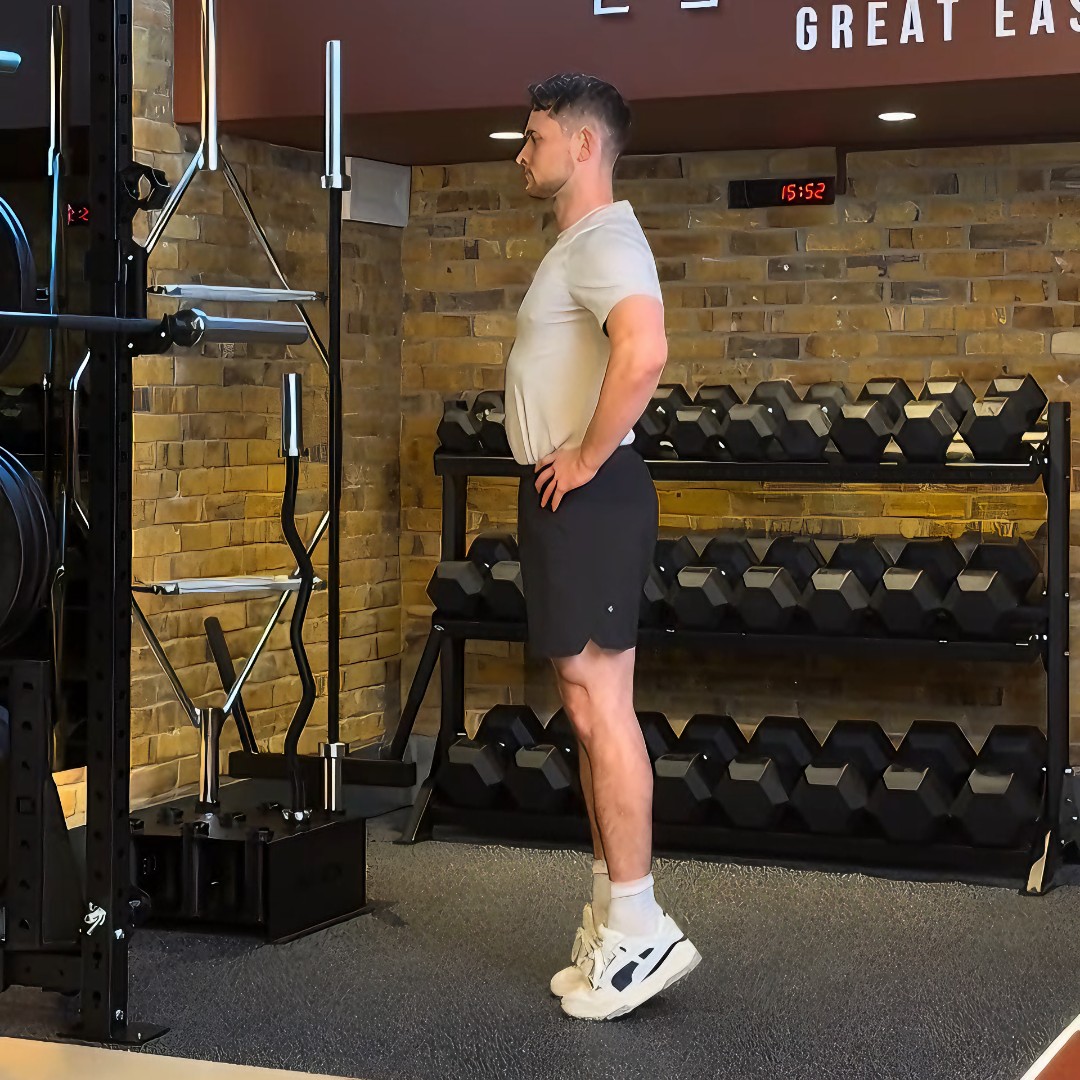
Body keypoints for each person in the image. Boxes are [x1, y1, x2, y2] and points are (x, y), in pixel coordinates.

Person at [504, 72, 701, 1021]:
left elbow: (646, 350)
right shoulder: (580, 244)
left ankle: (641, 928)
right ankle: (609, 919)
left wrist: (582, 457)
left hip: (590, 494)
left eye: (535, 136)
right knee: (584, 711)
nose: (522, 151)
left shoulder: (608, 239)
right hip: (568, 497)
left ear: (583, 145)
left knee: (604, 708)